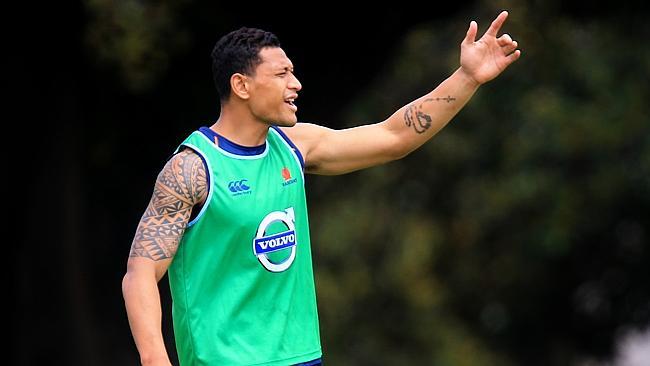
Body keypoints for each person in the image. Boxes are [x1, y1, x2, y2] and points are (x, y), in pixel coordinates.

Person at [122, 11, 521, 366]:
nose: (295, 83)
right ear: (241, 85)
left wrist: (466, 78)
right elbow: (140, 272)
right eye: (281, 74)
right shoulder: (192, 169)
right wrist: (155, 356)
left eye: (293, 72)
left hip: (303, 358)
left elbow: (393, 137)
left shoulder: (295, 146)